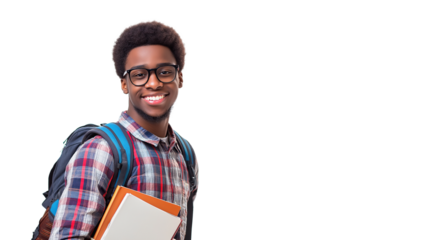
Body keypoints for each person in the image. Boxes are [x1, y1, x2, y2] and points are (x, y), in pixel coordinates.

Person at [48, 19, 199, 240]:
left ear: (180, 79)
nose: (154, 83)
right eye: (140, 75)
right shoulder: (101, 150)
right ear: (124, 84)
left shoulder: (186, 154)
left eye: (165, 72)